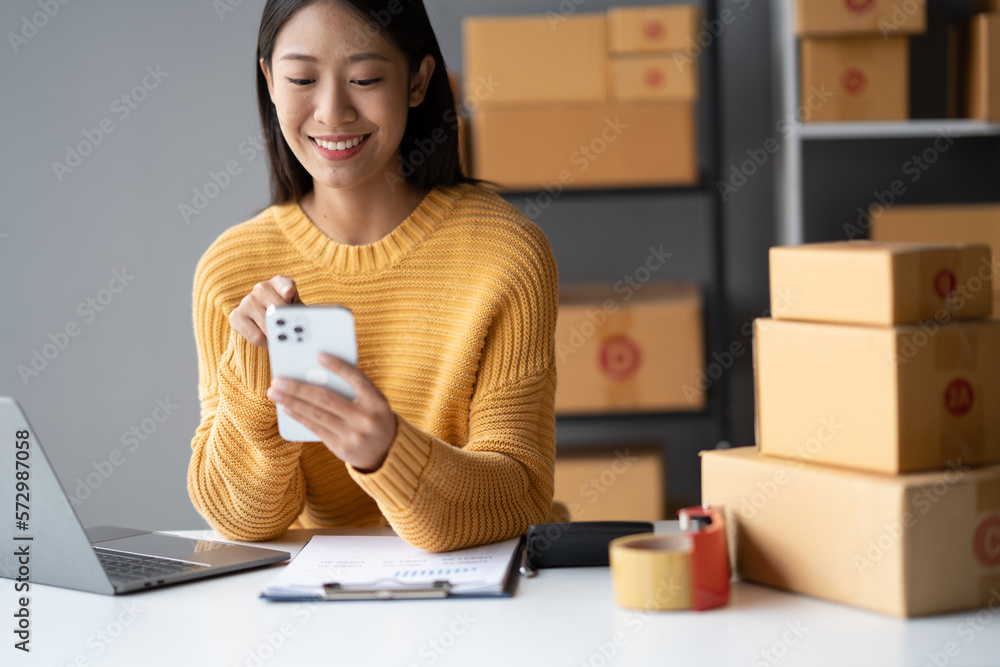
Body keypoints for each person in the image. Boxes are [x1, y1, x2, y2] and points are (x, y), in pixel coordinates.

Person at [187, 0, 559, 552]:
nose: (333, 111)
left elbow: (521, 496)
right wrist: (252, 391)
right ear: (269, 80)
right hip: (315, 613)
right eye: (301, 78)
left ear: (417, 80)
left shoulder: (507, 255)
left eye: (364, 78)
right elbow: (243, 524)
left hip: (485, 600)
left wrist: (387, 452)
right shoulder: (232, 270)